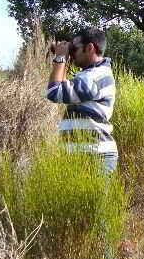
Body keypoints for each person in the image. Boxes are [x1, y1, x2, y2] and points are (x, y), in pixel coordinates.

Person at [46, 28, 118, 173]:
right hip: (86, 154)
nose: (72, 53)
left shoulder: (96, 76)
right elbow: (63, 87)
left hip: (96, 157)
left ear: (90, 48)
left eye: (75, 48)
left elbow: (54, 92)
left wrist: (61, 58)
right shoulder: (89, 75)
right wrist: (63, 57)